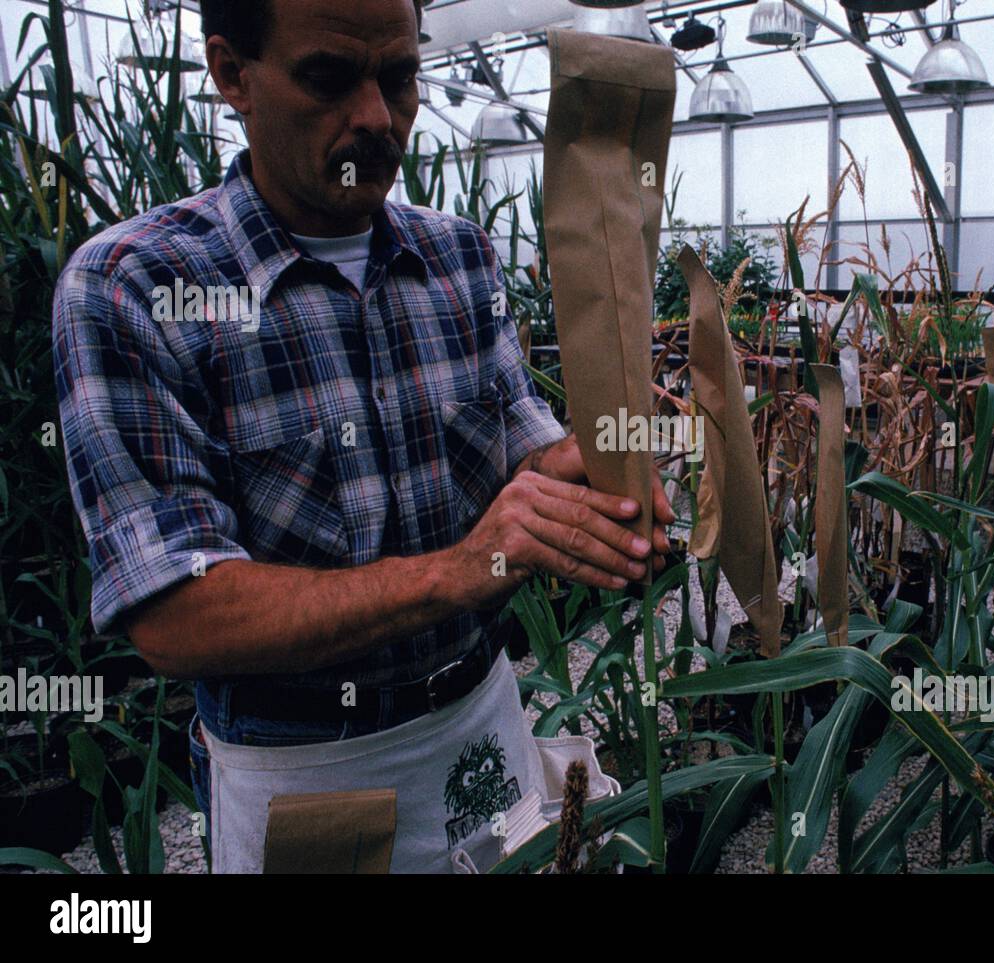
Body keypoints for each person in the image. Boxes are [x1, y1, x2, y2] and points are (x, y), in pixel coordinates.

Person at [52, 0, 671, 872]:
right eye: (330, 77)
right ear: (233, 74)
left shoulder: (458, 257)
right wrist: (464, 567)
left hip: (478, 724)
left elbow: (523, 454)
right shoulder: (135, 285)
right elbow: (174, 612)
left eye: (400, 76)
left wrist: (597, 468)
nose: (377, 116)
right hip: (308, 777)